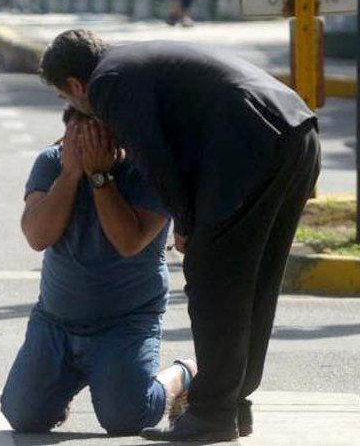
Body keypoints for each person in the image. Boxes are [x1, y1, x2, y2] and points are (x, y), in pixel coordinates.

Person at [39, 29, 321, 441]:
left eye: (67, 99)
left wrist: (186, 225)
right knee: (253, 284)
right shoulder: (132, 64)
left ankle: (210, 415)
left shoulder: (108, 85)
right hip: (296, 133)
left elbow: (157, 160)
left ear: (77, 85)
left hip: (250, 146)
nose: (76, 109)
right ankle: (232, 405)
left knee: (213, 284)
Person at [0, 107, 197, 435]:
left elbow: (128, 241)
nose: (83, 144)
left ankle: (185, 372)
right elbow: (37, 236)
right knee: (23, 417)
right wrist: (70, 175)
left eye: (95, 136)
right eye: (76, 136)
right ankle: (65, 383)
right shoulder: (52, 162)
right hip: (56, 321)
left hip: (125, 322)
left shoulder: (150, 171)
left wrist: (100, 178)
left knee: (127, 420)